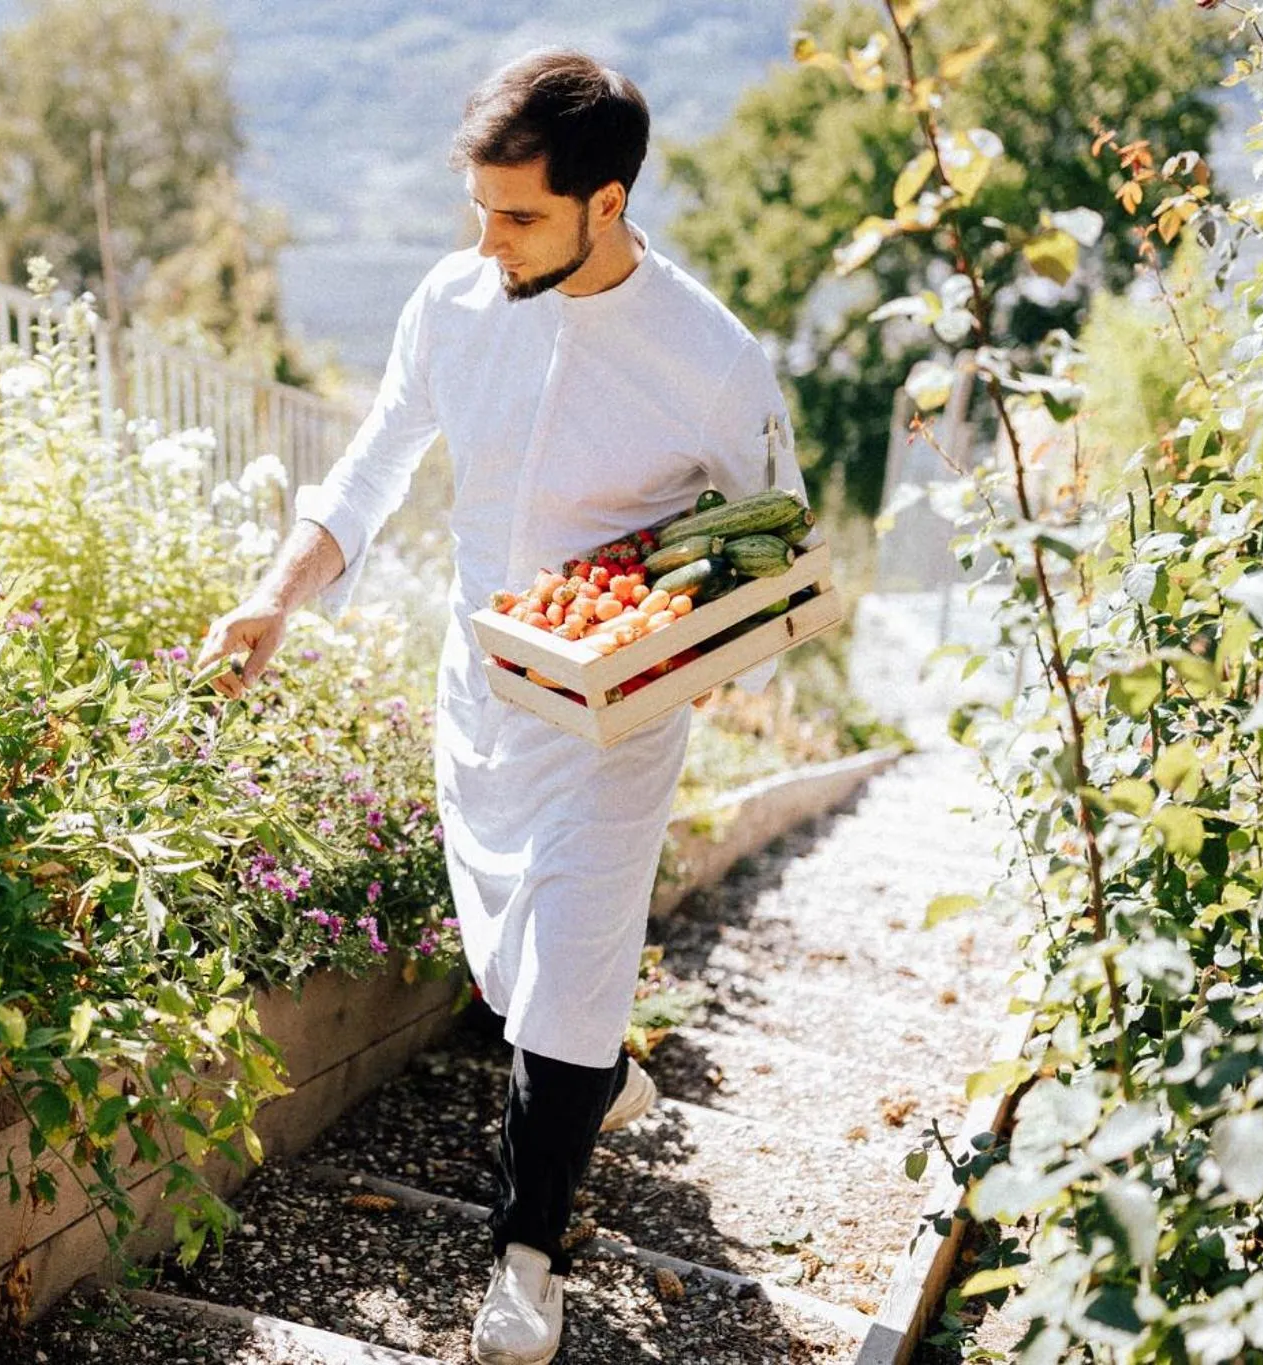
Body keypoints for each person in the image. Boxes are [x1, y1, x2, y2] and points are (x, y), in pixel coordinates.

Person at [201, 48, 806, 1365]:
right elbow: (373, 464)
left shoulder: (709, 358)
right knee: (507, 964)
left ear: (609, 202)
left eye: (519, 215)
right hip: (480, 687)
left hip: (619, 711)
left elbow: (774, 541)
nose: (487, 242)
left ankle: (527, 1261)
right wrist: (277, 595)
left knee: (573, 961)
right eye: (477, 208)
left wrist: (704, 640)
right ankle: (599, 1072)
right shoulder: (454, 300)